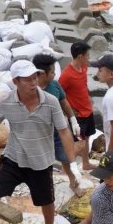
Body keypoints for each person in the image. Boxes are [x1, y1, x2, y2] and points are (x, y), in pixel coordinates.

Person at [0, 60, 74, 224]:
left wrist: (72, 162)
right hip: (13, 158)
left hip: (41, 161)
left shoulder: (51, 102)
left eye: (35, 77)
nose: (33, 82)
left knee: (47, 200)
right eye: (27, 79)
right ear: (16, 81)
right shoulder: (6, 101)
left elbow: (63, 131)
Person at [32, 53, 82, 195]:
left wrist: (73, 120)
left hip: (59, 132)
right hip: (40, 136)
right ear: (42, 74)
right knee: (43, 164)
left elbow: (64, 102)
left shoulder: (54, 85)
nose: (54, 74)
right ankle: (45, 189)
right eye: (52, 72)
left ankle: (73, 182)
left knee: (67, 158)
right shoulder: (30, 90)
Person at [57, 41, 95, 171]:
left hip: (88, 110)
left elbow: (84, 85)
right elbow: (59, 94)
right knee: (78, 143)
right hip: (77, 115)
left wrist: (89, 98)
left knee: (88, 137)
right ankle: (67, 169)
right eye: (87, 55)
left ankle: (86, 163)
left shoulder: (84, 68)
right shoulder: (67, 75)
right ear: (81, 56)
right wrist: (68, 111)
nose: (89, 58)